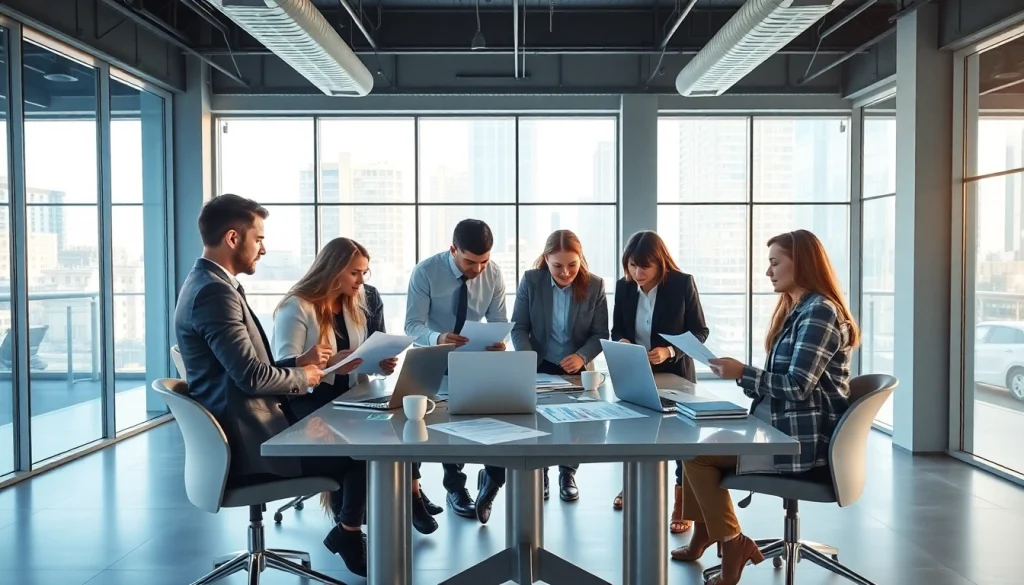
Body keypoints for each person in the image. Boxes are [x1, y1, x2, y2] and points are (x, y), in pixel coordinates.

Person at [173, 194, 367, 577]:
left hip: (244, 428)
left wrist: (299, 362)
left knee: (355, 444)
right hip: (250, 444)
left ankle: (348, 533)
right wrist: (307, 378)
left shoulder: (208, 283)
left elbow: (243, 368)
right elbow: (253, 378)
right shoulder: (214, 293)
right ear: (233, 238)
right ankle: (349, 535)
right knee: (364, 455)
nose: (263, 248)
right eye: (258, 238)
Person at [670, 229, 859, 585]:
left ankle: (732, 542)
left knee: (697, 456)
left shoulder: (819, 312)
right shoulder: (800, 308)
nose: (768, 271)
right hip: (785, 429)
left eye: (775, 262)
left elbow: (797, 386)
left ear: (800, 262)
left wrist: (742, 372)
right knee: (693, 446)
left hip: (802, 444)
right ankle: (707, 534)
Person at [272, 237, 439, 536]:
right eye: (355, 273)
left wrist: (379, 363)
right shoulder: (296, 306)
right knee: (362, 447)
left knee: (399, 421)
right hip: (309, 399)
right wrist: (326, 364)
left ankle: (409, 497)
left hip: (349, 395)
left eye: (365, 272)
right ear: (334, 270)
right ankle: (350, 527)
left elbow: (357, 358)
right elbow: (283, 366)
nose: (362, 280)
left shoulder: (354, 304)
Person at [405, 219, 508, 523]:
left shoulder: (493, 273)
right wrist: (438, 338)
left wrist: (498, 342)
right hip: (435, 357)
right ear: (453, 250)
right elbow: (412, 325)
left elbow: (499, 320)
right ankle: (455, 489)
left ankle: (492, 481)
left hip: (475, 357)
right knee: (447, 425)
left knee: (497, 418)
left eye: (484, 261)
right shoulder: (426, 272)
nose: (477, 269)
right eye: (470, 261)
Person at [610, 230, 709, 535]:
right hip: (637, 371)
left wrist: (669, 349)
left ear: (660, 264)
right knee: (635, 432)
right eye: (632, 266)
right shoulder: (624, 287)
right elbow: (617, 330)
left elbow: (700, 331)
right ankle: (633, 486)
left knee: (681, 438)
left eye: (644, 267)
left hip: (676, 372)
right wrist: (624, 341)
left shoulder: (681, 284)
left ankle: (682, 503)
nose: (637, 273)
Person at [510, 229, 609, 502]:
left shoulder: (595, 286)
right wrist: (527, 359)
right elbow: (518, 327)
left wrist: (582, 356)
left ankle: (567, 472)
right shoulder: (531, 281)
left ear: (581, 260)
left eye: (572, 265)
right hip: (540, 363)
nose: (565, 272)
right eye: (557, 266)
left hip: (576, 368)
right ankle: (540, 471)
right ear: (546, 259)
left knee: (573, 423)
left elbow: (601, 334)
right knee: (539, 421)